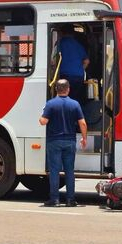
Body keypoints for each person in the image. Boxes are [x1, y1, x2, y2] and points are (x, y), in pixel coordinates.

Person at [39, 79, 87, 207]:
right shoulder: (75, 104)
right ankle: (71, 200)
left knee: (54, 171)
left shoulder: (50, 104)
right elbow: (82, 123)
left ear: (56, 90)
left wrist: (42, 114)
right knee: (69, 171)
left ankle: (54, 200)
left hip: (54, 141)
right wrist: (84, 138)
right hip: (70, 141)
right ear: (68, 89)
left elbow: (43, 121)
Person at [57, 25, 90, 106]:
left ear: (61, 33)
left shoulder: (59, 44)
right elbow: (87, 61)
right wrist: (80, 69)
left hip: (64, 76)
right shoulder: (78, 44)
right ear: (73, 33)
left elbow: (53, 61)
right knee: (76, 99)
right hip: (78, 76)